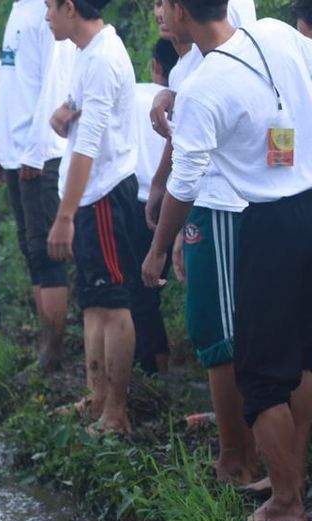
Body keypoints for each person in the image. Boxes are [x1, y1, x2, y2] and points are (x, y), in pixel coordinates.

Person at [143, 2, 312, 521]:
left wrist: (157, 249)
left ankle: (286, 502)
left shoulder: (204, 85)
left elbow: (185, 182)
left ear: (180, 10)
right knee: (304, 353)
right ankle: (290, 477)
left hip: (271, 223)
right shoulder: (278, 34)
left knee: (258, 371)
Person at [144, 0, 258, 485]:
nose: (158, 13)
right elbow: (188, 139)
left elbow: (192, 165)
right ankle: (241, 455)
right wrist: (161, 185)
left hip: (226, 202)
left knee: (223, 335)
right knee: (212, 328)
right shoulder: (188, 66)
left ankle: (240, 460)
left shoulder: (233, 38)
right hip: (205, 204)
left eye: (164, 3)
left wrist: (159, 243)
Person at [45, 0, 139, 434]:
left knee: (112, 303)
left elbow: (89, 146)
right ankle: (96, 396)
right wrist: (63, 112)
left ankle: (116, 412)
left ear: (70, 7)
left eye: (49, 7)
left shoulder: (102, 58)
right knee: (93, 301)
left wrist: (64, 217)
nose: (46, 17)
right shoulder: (87, 52)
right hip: (88, 194)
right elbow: (82, 121)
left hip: (103, 195)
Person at [0, 0, 76, 370]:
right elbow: (10, 87)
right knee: (30, 247)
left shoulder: (48, 12)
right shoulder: (19, 9)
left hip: (40, 152)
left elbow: (56, 83)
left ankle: (53, 350)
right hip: (15, 151)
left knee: (47, 251)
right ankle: (45, 343)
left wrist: (38, 150)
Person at [128, 36, 179, 375]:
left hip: (138, 204)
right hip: (174, 204)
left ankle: (152, 370)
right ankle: (159, 367)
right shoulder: (186, 98)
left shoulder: (134, 95)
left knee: (137, 291)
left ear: (156, 66)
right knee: (154, 289)